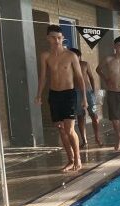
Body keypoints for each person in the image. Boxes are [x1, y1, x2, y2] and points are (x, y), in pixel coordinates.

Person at [35, 25, 87, 171]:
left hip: (69, 94)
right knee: (61, 129)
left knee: (70, 129)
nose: (56, 40)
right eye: (53, 38)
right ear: (48, 39)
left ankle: (78, 157)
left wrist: (84, 98)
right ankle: (70, 159)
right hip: (54, 95)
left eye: (59, 37)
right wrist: (39, 95)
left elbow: (80, 78)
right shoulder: (45, 56)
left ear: (63, 38)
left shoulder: (71, 56)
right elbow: (43, 77)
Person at [69, 48, 102, 148]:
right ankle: (84, 140)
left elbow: (91, 77)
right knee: (80, 116)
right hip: (75, 92)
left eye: (76, 56)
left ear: (79, 56)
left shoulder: (84, 64)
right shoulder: (69, 66)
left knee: (94, 116)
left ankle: (97, 137)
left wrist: (93, 90)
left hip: (88, 91)